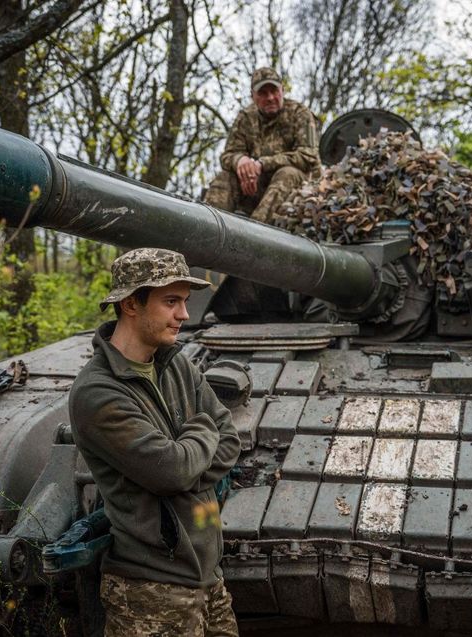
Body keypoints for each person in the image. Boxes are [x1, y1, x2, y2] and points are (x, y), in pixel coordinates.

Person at [69, 247, 241, 637]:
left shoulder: (175, 362)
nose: (184, 315)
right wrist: (200, 431)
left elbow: (229, 441)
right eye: (170, 301)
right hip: (150, 593)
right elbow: (171, 471)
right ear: (131, 304)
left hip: (209, 578)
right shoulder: (98, 392)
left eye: (184, 302)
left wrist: (184, 462)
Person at [204, 67, 320, 223]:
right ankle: (206, 227)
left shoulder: (299, 113)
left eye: (274, 91)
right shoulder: (246, 118)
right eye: (263, 93)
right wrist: (240, 161)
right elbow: (229, 154)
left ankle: (255, 236)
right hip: (257, 187)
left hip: (300, 188)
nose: (270, 97)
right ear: (253, 96)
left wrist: (262, 164)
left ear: (282, 90)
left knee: (287, 174)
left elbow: (308, 156)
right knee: (225, 177)